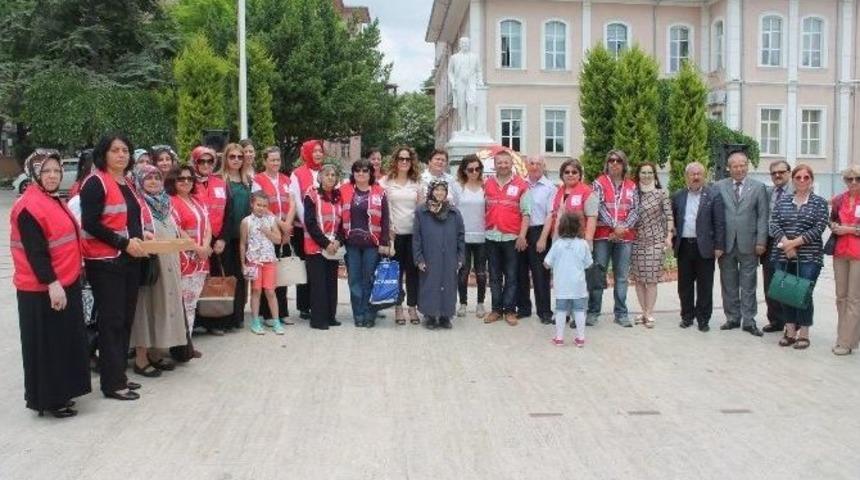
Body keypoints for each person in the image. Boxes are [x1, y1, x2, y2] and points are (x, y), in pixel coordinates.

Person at [11, 150, 90, 417]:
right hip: (42, 289)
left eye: (56, 170)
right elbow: (36, 252)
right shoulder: (29, 206)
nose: (53, 175)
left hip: (65, 281)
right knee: (48, 346)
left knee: (63, 342)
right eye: (46, 171)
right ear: (34, 174)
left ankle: (62, 393)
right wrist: (52, 284)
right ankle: (51, 400)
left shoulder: (52, 199)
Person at [80, 134, 149, 401]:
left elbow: (130, 219)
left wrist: (143, 237)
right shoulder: (95, 183)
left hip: (129, 259)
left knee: (125, 320)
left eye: (125, 150)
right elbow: (91, 224)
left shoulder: (127, 182)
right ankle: (112, 384)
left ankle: (119, 374)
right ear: (103, 154)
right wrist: (123, 243)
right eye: (115, 150)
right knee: (112, 322)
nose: (121, 155)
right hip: (105, 262)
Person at [130, 165, 187, 376]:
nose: (153, 181)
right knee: (146, 309)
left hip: (169, 263)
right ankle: (141, 359)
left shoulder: (166, 203)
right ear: (139, 180)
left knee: (163, 307)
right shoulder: (137, 204)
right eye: (148, 178)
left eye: (156, 177)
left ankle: (156, 352)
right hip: (149, 266)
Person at [769, 164, 828, 349]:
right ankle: (790, 331)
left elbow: (819, 228)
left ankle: (804, 333)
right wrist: (786, 244)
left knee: (803, 293)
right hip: (782, 254)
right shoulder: (783, 201)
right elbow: (774, 224)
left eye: (806, 177)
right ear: (793, 180)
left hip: (809, 256)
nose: (802, 181)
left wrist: (793, 244)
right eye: (798, 177)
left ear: (812, 180)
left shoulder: (819, 202)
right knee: (786, 292)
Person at [716, 150, 769, 336]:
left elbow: (763, 216)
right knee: (728, 283)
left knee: (748, 284)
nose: (739, 169)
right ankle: (732, 318)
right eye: (735, 166)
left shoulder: (758, 187)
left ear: (747, 166)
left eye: (742, 165)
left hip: (750, 244)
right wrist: (717, 243)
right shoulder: (719, 186)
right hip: (726, 245)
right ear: (729, 168)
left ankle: (749, 320)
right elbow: (715, 216)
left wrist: (762, 241)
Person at [672, 162, 726, 332]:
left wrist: (719, 245)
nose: (695, 177)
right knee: (684, 285)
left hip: (705, 247)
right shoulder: (678, 196)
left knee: (705, 285)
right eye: (692, 174)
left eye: (699, 174)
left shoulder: (713, 195)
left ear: (704, 176)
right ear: (686, 177)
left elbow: (720, 223)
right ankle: (687, 316)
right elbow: (672, 221)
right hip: (684, 247)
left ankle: (703, 319)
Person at [588, 150, 639, 327]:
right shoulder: (598, 183)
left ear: (624, 164)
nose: (614, 163)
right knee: (597, 272)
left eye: (618, 160)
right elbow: (598, 207)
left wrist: (622, 229)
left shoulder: (632, 186)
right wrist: (614, 226)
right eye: (611, 160)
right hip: (603, 235)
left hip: (625, 237)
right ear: (607, 163)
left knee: (622, 276)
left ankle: (621, 313)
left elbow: (635, 210)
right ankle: (593, 311)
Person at [340, 158, 391, 328]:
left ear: (371, 174)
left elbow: (385, 219)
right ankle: (358, 313)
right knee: (354, 279)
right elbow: (339, 217)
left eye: (365, 171)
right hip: (351, 243)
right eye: (357, 170)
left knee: (370, 278)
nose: (361, 174)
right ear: (353, 173)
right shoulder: (344, 190)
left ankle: (370, 312)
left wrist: (384, 242)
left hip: (372, 243)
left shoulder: (380, 192)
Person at [483, 147, 531, 326]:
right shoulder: (486, 184)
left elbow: (526, 213)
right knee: (494, 275)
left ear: (512, 165)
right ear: (494, 165)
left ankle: (510, 310)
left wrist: (522, 236)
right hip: (491, 236)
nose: (503, 165)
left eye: (506, 162)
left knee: (512, 276)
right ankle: (496, 309)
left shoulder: (521, 185)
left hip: (512, 237)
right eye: (499, 163)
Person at [167, 165, 212, 347]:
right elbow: (177, 229)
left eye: (189, 178)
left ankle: (187, 344)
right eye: (181, 179)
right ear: (173, 181)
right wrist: (197, 248)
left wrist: (205, 246)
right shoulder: (171, 201)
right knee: (182, 305)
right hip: (184, 260)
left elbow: (208, 225)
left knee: (192, 304)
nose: (186, 182)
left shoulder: (197, 200)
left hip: (201, 260)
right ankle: (178, 345)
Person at [253, 146, 296, 326]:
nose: (275, 163)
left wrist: (288, 226)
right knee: (267, 274)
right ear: (265, 161)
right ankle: (268, 315)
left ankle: (283, 312)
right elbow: (261, 205)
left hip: (286, 230)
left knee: (282, 272)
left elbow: (292, 203)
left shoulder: (286, 180)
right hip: (268, 231)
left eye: (278, 160)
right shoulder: (258, 180)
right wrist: (281, 225)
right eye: (272, 160)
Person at [414, 179, 465, 329]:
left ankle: (445, 316)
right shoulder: (421, 211)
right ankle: (429, 315)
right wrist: (418, 258)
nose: (440, 193)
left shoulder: (454, 212)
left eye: (443, 190)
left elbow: (461, 236)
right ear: (430, 191)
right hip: (429, 255)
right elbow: (417, 237)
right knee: (429, 284)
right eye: (436, 190)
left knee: (448, 285)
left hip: (449, 256)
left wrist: (460, 257)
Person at [189, 146, 229, 335]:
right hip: (196, 241)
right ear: (195, 162)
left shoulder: (221, 183)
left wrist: (222, 239)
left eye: (209, 161)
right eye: (201, 161)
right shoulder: (188, 182)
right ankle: (195, 321)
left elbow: (229, 212)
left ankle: (214, 322)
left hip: (217, 240)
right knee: (195, 280)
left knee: (213, 281)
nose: (206, 165)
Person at [381, 146, 423, 325]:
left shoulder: (418, 183)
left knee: (413, 274)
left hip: (413, 235)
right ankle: (398, 307)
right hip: (394, 236)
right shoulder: (386, 182)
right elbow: (382, 209)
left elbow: (421, 210)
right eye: (401, 159)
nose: (404, 162)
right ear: (395, 161)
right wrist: (387, 229)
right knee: (395, 274)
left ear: (412, 161)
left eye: (407, 159)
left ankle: (412, 307)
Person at [630, 163, 673, 328]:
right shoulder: (633, 194)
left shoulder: (661, 194)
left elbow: (669, 217)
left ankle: (649, 313)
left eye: (650, 172)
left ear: (654, 175)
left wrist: (668, 236)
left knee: (652, 279)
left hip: (656, 241)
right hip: (636, 241)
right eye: (643, 172)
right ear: (638, 174)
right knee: (639, 280)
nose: (646, 175)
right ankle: (643, 312)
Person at [303, 164, 344, 330]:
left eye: (333, 175)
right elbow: (310, 222)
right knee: (319, 284)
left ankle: (330, 316)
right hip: (316, 247)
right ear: (319, 177)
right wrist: (325, 243)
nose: (330, 178)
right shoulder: (311, 194)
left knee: (331, 283)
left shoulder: (338, 196)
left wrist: (338, 241)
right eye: (327, 175)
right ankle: (318, 320)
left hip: (333, 247)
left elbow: (343, 223)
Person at [516, 155, 555, 324]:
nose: (535, 166)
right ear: (526, 165)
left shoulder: (550, 187)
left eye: (538, 163)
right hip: (519, 233)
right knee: (520, 272)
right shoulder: (520, 184)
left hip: (539, 231)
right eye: (532, 163)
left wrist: (543, 238)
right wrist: (520, 235)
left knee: (541, 274)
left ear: (543, 166)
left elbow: (550, 215)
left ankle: (544, 311)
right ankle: (523, 308)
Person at [544, 213, 593, 347]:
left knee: (560, 310)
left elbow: (547, 263)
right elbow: (589, 263)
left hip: (562, 284)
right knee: (579, 310)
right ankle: (580, 338)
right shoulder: (583, 244)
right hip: (578, 284)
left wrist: (553, 265)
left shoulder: (557, 244)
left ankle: (559, 338)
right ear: (579, 227)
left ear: (561, 227)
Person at [289, 140, 325, 320]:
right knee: (305, 267)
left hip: (324, 230)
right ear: (307, 153)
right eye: (314, 151)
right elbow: (296, 201)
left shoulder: (326, 172)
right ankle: (304, 305)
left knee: (320, 267)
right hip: (303, 229)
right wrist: (309, 225)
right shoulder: (297, 174)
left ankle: (319, 303)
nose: (318, 154)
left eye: (320, 151)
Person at [220, 143, 253, 330]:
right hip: (225, 236)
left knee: (241, 277)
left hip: (243, 237)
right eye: (232, 157)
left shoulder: (247, 181)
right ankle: (223, 317)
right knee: (226, 276)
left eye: (240, 157)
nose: (236, 160)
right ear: (226, 158)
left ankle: (237, 317)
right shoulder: (219, 180)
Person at [241, 191, 283, 335]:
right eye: (259, 205)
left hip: (269, 260)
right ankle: (255, 321)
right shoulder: (246, 221)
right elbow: (242, 244)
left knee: (270, 291)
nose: (261, 208)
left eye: (264, 205)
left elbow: (278, 239)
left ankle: (277, 321)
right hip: (253, 261)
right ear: (252, 204)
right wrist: (243, 264)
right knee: (256, 290)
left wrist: (268, 232)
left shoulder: (271, 220)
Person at [451, 154, 488, 318]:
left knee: (481, 272)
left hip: (482, 235)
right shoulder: (458, 186)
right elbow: (453, 210)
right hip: (463, 235)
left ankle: (480, 303)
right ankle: (463, 303)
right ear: (464, 170)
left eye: (477, 169)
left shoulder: (486, 186)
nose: (474, 172)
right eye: (470, 169)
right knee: (463, 272)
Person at [831, 165, 860, 355]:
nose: (854, 183)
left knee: (854, 298)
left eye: (858, 179)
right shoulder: (839, 199)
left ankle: (846, 342)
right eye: (849, 179)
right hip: (840, 251)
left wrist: (848, 230)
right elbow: (832, 219)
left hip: (858, 253)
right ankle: (844, 336)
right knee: (841, 297)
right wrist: (833, 226)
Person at [762, 160, 793, 333]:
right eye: (774, 173)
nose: (777, 175)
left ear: (789, 172)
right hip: (770, 241)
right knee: (770, 282)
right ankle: (775, 320)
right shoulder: (769, 192)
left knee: (787, 282)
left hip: (789, 242)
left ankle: (791, 322)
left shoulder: (796, 191)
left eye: (781, 172)